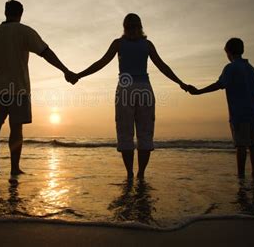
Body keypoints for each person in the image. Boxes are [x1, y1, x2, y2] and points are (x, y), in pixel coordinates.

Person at [0, 0, 77, 176]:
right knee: (16, 129)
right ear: (21, 14)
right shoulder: (25, 32)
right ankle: (14, 168)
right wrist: (65, 70)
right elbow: (46, 53)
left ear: (5, 12)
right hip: (19, 89)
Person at [74, 13, 190, 179]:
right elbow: (163, 66)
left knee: (125, 132)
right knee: (145, 133)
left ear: (124, 27)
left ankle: (129, 173)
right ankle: (141, 174)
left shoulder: (118, 43)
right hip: (144, 89)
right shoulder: (147, 44)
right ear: (141, 26)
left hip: (125, 89)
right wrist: (181, 83)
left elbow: (101, 63)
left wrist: (79, 75)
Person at [188, 38, 254, 182]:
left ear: (229, 52)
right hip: (253, 111)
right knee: (253, 145)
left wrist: (198, 92)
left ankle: (241, 176)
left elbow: (219, 84)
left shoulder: (231, 68)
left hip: (239, 113)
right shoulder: (251, 68)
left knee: (240, 145)